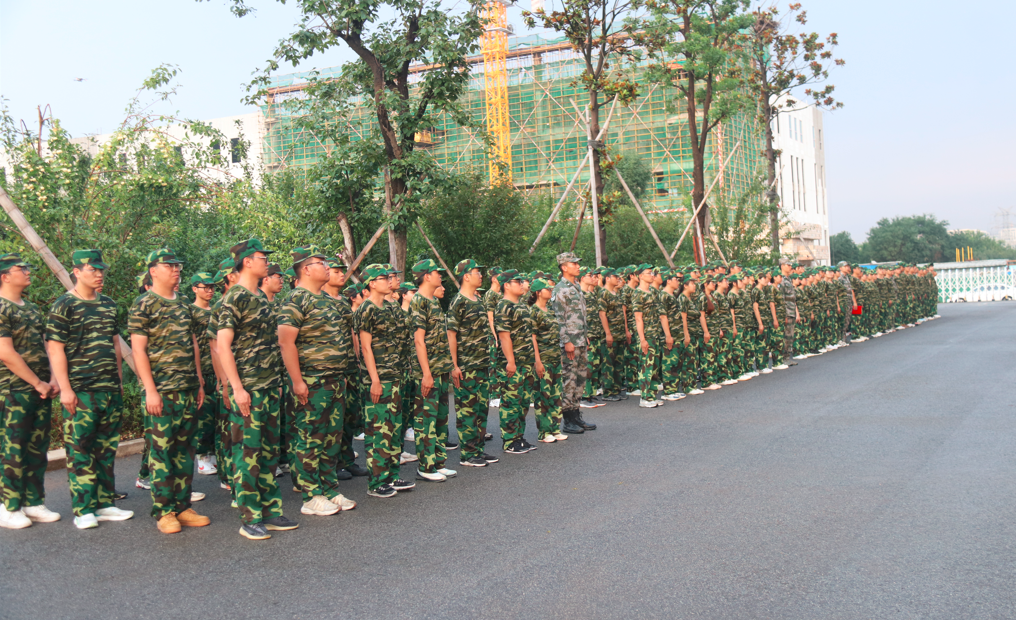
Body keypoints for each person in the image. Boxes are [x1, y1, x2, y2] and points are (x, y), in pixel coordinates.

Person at [217, 238, 298, 540]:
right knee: (247, 454)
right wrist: (236, 388)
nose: (267, 262)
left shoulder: (262, 298)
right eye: (263, 258)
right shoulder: (234, 297)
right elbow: (223, 346)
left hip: (269, 387)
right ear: (247, 261)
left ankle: (270, 511)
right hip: (249, 389)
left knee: (268, 453)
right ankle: (250, 517)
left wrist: (277, 382)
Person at [47, 249, 133, 530]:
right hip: (81, 389)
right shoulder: (64, 305)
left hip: (108, 388)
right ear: (76, 272)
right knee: (81, 449)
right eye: (92, 270)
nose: (99, 274)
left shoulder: (108, 304)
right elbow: (55, 349)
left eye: (101, 270)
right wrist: (65, 388)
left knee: (106, 449)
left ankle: (105, 504)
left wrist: (118, 381)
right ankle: (83, 510)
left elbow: (114, 343)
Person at [128, 248, 211, 534]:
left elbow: (194, 343)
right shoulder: (144, 304)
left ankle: (183, 506)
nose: (176, 269)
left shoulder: (184, 303)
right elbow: (138, 350)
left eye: (178, 265)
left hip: (187, 389)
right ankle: (164, 511)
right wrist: (150, 390)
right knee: (162, 452)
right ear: (153, 271)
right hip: (161, 391)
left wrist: (198, 381)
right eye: (169, 265)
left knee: (185, 451)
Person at [277, 246, 356, 517]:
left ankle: (329, 489)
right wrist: (297, 381)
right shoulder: (295, 300)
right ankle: (311, 495)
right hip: (312, 381)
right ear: (306, 269)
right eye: (321, 263)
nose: (327, 267)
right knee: (310, 438)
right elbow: (286, 343)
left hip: (335, 380)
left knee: (332, 438)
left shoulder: (331, 301)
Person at [0, 253, 60, 529]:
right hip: (13, 389)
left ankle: (33, 502)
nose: (27, 271)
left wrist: (53, 379)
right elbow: (5, 353)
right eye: (20, 268)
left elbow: (47, 346)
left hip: (41, 389)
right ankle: (8, 506)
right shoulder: (2, 308)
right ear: (4, 276)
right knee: (13, 448)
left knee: (37, 447)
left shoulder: (33, 308)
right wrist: (37, 382)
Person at [356, 264, 415, 498]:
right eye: (383, 278)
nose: (389, 281)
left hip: (396, 376)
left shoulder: (390, 307)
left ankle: (391, 475)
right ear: (371, 283)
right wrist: (374, 380)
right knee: (378, 431)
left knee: (394, 428)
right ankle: (377, 482)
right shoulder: (366, 309)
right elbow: (366, 348)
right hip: (379, 378)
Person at [447, 259, 499, 468]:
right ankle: (468, 454)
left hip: (482, 364)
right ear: (466, 276)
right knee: (467, 411)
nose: (481, 275)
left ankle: (478, 449)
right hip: (466, 366)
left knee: (480, 409)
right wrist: (454, 365)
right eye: (477, 272)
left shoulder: (478, 300)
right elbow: (451, 334)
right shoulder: (458, 302)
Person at [409, 259, 457, 482]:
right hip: (428, 372)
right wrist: (426, 374)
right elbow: (419, 340)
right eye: (437, 273)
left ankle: (438, 462)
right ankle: (426, 466)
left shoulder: (433, 301)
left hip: (441, 369)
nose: (440, 276)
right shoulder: (418, 301)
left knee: (440, 419)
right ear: (426, 276)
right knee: (426, 420)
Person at [551, 252, 595, 433]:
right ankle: (568, 420)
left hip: (580, 339)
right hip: (570, 342)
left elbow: (579, 315)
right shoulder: (560, 289)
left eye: (577, 263)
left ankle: (576, 415)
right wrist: (566, 341)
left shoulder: (576, 286)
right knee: (569, 380)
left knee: (580, 379)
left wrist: (585, 335)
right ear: (564, 267)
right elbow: (559, 318)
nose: (578, 266)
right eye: (574, 263)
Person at [495, 270, 538, 454]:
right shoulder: (503, 306)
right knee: (511, 403)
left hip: (525, 362)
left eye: (522, 281)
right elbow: (504, 336)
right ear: (506, 285)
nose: (521, 285)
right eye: (517, 282)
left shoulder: (521, 306)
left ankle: (519, 437)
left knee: (523, 403)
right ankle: (510, 440)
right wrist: (510, 361)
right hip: (513, 364)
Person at [530, 278, 568, 443]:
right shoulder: (533, 311)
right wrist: (537, 361)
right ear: (538, 292)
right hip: (543, 359)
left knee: (555, 395)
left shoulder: (550, 310)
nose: (550, 291)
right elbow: (532, 338)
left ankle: (555, 428)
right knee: (543, 396)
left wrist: (559, 357)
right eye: (547, 289)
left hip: (555, 358)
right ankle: (544, 432)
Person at [189, 272, 218, 477]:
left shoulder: (216, 310)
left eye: (212, 287)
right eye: (205, 287)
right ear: (194, 289)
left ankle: (213, 453)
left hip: (216, 369)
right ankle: (202, 456)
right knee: (203, 418)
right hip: (201, 371)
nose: (209, 291)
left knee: (217, 416)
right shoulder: (190, 312)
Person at [778, 260, 799, 368]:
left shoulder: (788, 279)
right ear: (782, 266)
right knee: (786, 336)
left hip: (791, 310)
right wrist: (784, 314)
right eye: (788, 265)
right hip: (787, 310)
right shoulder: (781, 280)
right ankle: (783, 358)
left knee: (790, 336)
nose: (791, 267)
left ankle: (787, 357)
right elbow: (781, 299)